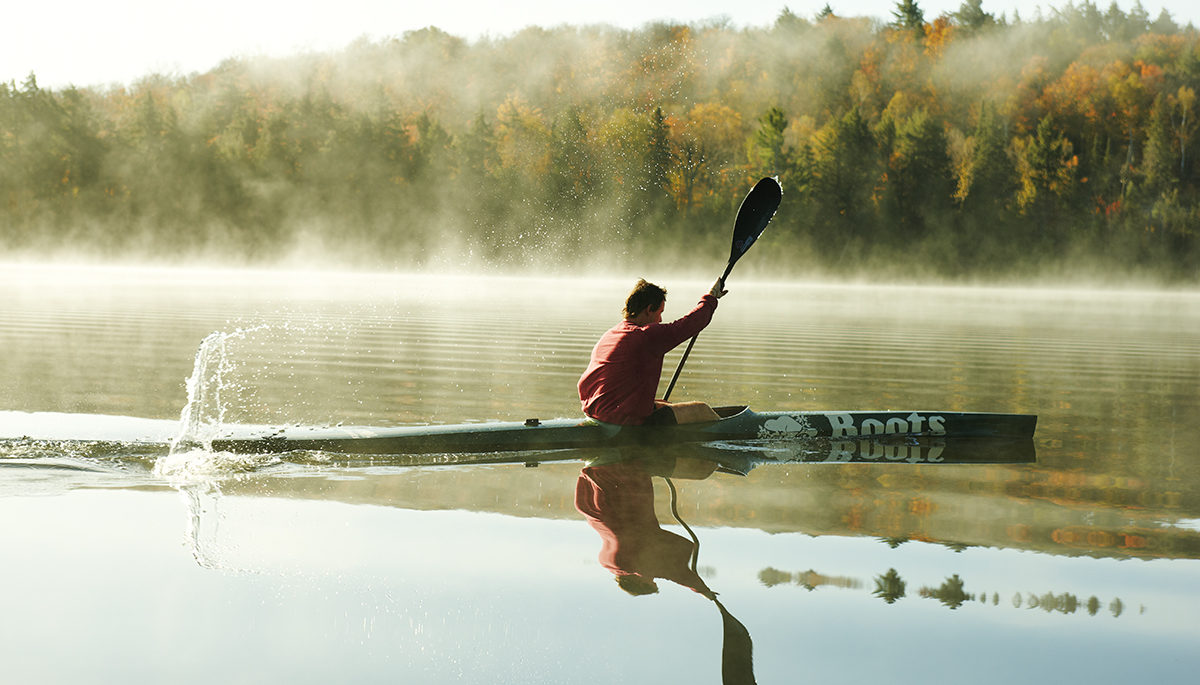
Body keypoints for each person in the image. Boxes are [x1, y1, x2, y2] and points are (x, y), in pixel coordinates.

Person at [578, 278, 727, 426]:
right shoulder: (645, 335)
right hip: (622, 421)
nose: (660, 319)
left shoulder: (611, 334)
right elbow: (690, 324)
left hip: (596, 412)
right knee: (702, 409)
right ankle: (727, 431)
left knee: (665, 404)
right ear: (649, 309)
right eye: (660, 312)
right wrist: (711, 296)